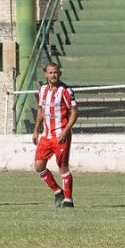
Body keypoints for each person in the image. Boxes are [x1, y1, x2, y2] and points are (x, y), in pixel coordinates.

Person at [32, 62, 78, 208]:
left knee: (63, 166)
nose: (54, 75)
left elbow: (75, 112)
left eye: (56, 72)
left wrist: (66, 130)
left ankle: (68, 201)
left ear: (60, 73)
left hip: (60, 135)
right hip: (46, 135)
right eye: (51, 73)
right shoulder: (43, 90)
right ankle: (58, 192)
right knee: (39, 166)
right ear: (46, 74)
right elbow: (41, 111)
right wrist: (36, 129)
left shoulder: (66, 91)